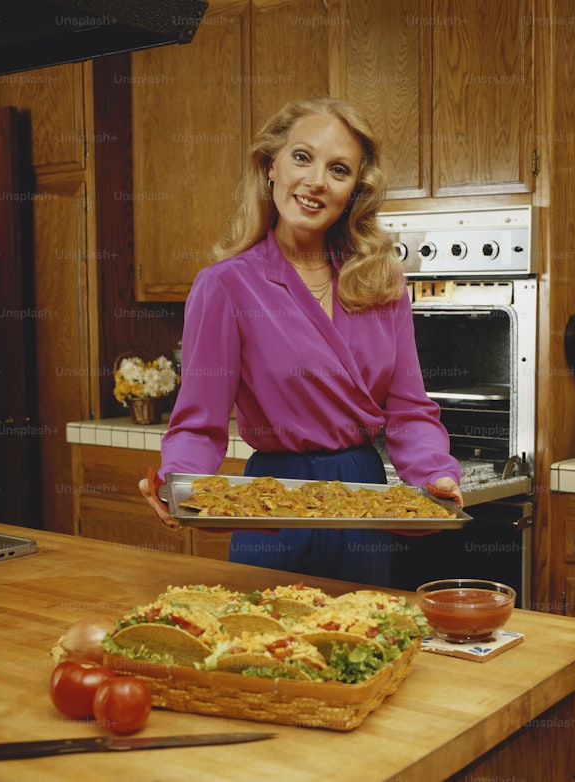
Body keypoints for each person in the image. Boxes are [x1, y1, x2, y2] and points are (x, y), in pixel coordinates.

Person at [139, 96, 462, 587]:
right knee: (266, 650)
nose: (315, 182)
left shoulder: (382, 283)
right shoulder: (226, 285)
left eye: (338, 169)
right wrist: (176, 481)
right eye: (302, 157)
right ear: (271, 166)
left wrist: (435, 474)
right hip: (272, 507)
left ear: (355, 189)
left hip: (362, 503)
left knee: (361, 640)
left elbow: (410, 411)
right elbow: (199, 424)